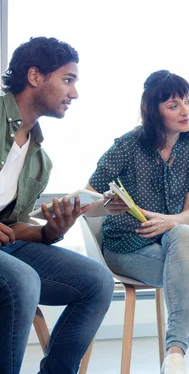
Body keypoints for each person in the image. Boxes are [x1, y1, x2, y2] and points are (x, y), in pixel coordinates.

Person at [84, 70, 189, 374]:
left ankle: (174, 355)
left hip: (174, 241)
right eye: (173, 105)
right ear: (153, 113)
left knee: (183, 230)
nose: (186, 111)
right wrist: (107, 203)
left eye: (187, 101)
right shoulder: (128, 145)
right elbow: (88, 199)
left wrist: (167, 222)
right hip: (126, 246)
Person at [0, 37, 115, 374]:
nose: (74, 93)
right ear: (35, 77)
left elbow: (15, 229)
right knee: (22, 280)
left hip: (7, 249)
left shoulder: (39, 160)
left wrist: (49, 232)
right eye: (68, 80)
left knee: (97, 281)